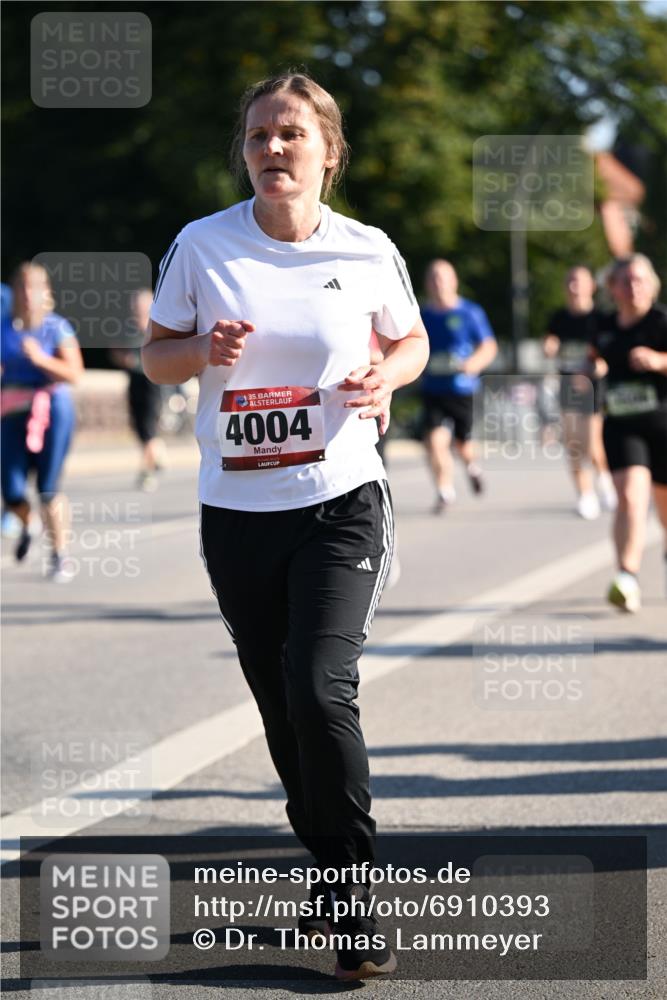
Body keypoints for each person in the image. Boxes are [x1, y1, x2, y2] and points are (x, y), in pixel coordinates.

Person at [142, 72, 429, 979]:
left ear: (327, 152)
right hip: (238, 512)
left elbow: (410, 338)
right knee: (278, 706)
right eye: (261, 134)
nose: (274, 148)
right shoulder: (202, 244)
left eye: (292, 134)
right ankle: (328, 869)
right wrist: (198, 352)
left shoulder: (367, 247)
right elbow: (152, 358)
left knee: (317, 685)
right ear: (245, 149)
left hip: (342, 498)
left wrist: (388, 377)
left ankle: (351, 902)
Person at [590, 254, 667, 612]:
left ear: (652, 284)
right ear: (613, 289)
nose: (633, 286)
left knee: (664, 506)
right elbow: (594, 356)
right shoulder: (604, 327)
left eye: (640, 279)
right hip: (622, 424)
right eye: (626, 281)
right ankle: (626, 576)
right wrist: (592, 368)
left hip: (663, 424)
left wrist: (659, 361)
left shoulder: (661, 322)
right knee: (630, 498)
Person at [1, 262, 83, 579]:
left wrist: (40, 359)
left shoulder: (56, 327)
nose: (26, 294)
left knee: (48, 487)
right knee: (11, 490)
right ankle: (26, 522)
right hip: (11, 411)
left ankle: (59, 555)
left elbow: (75, 373)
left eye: (33, 287)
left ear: (46, 293)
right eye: (21, 287)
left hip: (52, 410)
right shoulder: (3, 327)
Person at [420, 259, 497, 513]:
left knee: (462, 445)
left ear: (454, 281)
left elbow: (488, 346)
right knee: (435, 441)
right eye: (433, 277)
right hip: (434, 389)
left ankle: (472, 467)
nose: (438, 283)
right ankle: (444, 490)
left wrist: (474, 363)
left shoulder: (469, 313)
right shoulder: (422, 315)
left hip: (462, 389)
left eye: (443, 277)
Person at [543, 266, 616, 519]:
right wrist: (549, 346)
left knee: (592, 444)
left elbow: (609, 357)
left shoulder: (601, 319)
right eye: (570, 281)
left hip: (592, 385)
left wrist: (597, 366)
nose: (574, 286)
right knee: (573, 444)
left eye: (579, 281)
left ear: (591, 287)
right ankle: (585, 495)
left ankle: (604, 478)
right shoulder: (559, 317)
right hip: (567, 385)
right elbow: (550, 342)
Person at [111, 288, 166, 492]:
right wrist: (123, 359)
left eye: (142, 304)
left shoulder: (158, 327)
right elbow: (115, 350)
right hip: (134, 381)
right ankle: (157, 456)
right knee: (140, 428)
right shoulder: (126, 329)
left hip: (154, 383)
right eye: (135, 305)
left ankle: (147, 472)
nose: (137, 309)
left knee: (149, 428)